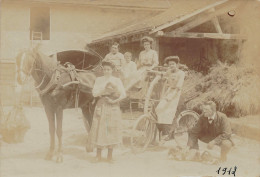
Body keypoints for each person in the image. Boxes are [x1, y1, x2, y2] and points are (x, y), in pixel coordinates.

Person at [88, 61, 126, 163]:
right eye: (104, 69)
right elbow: (94, 94)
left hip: (113, 105)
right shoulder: (99, 80)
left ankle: (110, 156)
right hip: (102, 104)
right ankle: (98, 155)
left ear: (112, 70)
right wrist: (103, 90)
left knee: (111, 129)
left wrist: (114, 100)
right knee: (99, 128)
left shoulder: (117, 80)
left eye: (108, 69)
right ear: (102, 70)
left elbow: (123, 94)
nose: (106, 71)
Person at [155, 56, 185, 139]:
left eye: (173, 64)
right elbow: (163, 74)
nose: (171, 66)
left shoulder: (181, 73)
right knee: (158, 109)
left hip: (176, 93)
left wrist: (171, 97)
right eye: (170, 64)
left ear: (177, 64)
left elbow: (179, 87)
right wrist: (153, 72)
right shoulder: (169, 71)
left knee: (168, 112)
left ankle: (169, 133)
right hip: (169, 91)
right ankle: (163, 131)